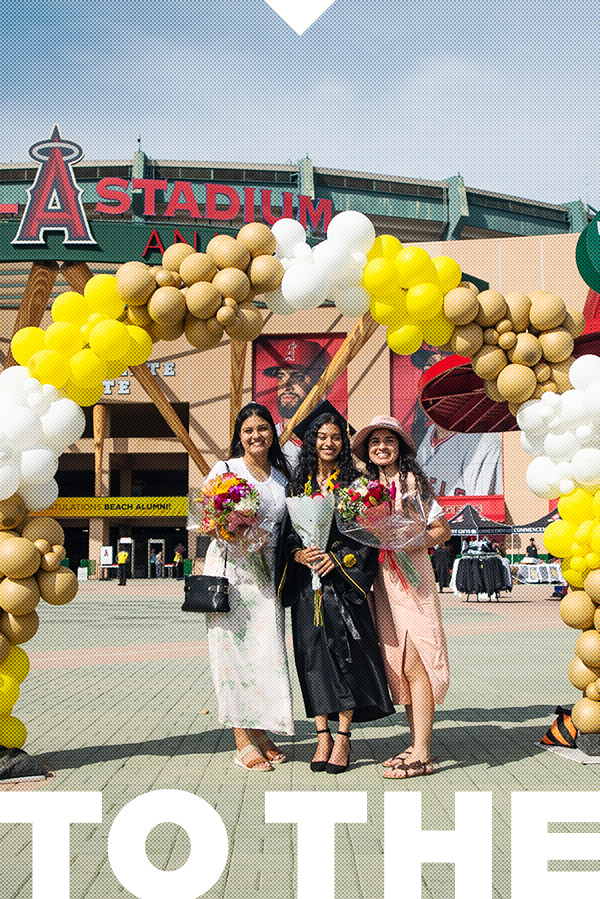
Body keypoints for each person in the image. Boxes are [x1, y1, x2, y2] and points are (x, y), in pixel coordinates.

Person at [276, 411, 394, 775]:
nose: (328, 443)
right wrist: (297, 553)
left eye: (336, 438)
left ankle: (343, 736)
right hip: (306, 588)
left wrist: (337, 560)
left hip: (341, 586)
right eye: (322, 437)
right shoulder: (297, 484)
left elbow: (366, 539)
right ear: (312, 442)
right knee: (311, 658)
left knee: (345, 657)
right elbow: (286, 538)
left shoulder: (356, 485)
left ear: (344, 444)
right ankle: (321, 734)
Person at [352, 414, 451, 780]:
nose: (382, 447)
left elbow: (442, 529)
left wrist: (409, 539)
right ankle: (415, 742)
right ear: (367, 450)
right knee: (402, 663)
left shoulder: (413, 484)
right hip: (384, 582)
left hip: (415, 579)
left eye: (388, 441)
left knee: (420, 658)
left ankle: (424, 752)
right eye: (375, 441)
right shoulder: (363, 490)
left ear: (400, 448)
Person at [203, 402, 294, 770]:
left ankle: (262, 730)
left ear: (272, 432)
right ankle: (243, 738)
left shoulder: (282, 476)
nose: (256, 436)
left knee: (267, 654)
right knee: (233, 654)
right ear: (239, 436)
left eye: (262, 428)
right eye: (248, 430)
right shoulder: (226, 470)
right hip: (232, 572)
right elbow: (205, 521)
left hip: (270, 573)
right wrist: (233, 527)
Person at [263, 339, 331, 468]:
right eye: (281, 376)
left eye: (297, 377)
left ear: (318, 384)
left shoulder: (335, 438)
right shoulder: (267, 439)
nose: (286, 385)